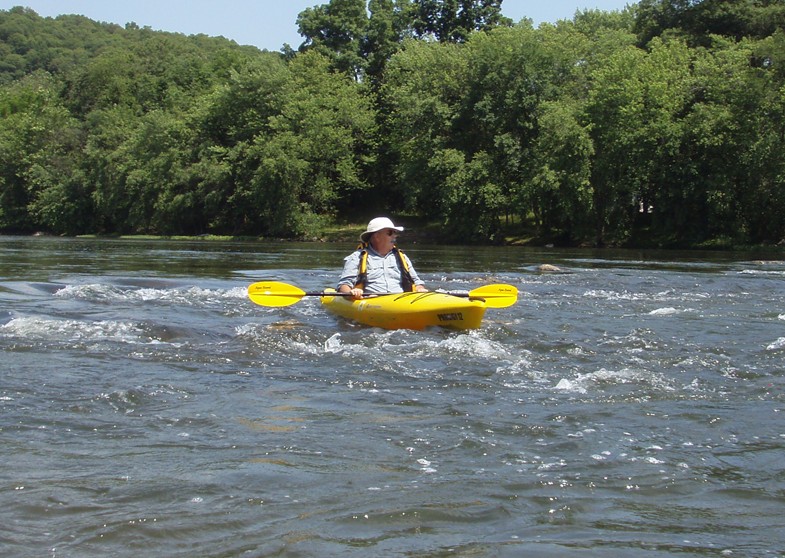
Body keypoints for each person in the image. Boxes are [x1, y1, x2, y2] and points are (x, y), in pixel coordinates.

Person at [337, 217, 428, 299]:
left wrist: (420, 288)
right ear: (377, 236)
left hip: (401, 301)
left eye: (395, 232)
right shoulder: (356, 257)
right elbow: (344, 286)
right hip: (371, 301)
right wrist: (352, 293)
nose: (394, 236)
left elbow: (416, 282)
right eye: (390, 232)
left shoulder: (402, 257)